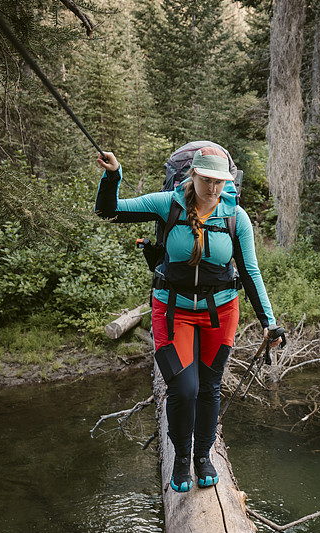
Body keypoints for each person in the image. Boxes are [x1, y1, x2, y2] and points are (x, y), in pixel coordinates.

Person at [95, 146, 279, 492]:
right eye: (207, 180)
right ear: (192, 176)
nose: (213, 189)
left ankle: (203, 456)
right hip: (172, 309)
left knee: (209, 388)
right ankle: (181, 458)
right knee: (184, 387)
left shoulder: (235, 216)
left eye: (220, 182)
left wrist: (269, 322)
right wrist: (113, 175)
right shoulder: (167, 203)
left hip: (220, 312)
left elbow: (251, 272)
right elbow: (109, 211)